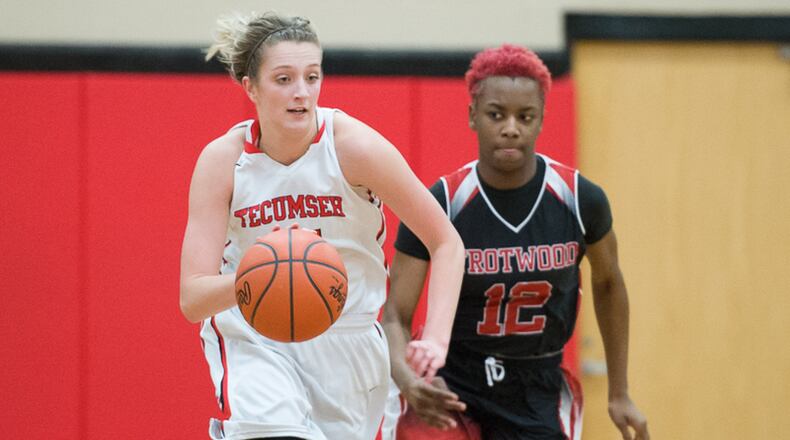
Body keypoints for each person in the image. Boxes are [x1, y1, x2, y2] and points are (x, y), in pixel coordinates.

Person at [179, 11, 464, 440]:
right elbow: (193, 297)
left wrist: (436, 340)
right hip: (257, 340)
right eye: (284, 79)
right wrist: (259, 279)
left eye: (312, 77)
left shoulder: (354, 147)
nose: (302, 93)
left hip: (350, 341)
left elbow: (446, 242)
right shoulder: (222, 162)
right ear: (250, 87)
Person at [382, 44, 650, 440]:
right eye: (496, 114)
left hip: (536, 385)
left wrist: (619, 392)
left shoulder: (580, 199)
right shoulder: (441, 201)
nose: (511, 127)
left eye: (525, 116)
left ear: (541, 119)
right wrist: (408, 381)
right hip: (452, 378)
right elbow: (395, 316)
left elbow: (609, 284)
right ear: (473, 116)